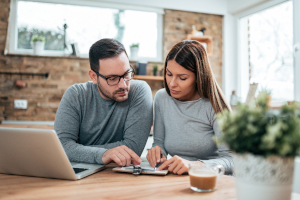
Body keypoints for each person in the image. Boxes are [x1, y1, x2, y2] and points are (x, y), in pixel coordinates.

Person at [54, 39, 153, 167]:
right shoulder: (76, 95)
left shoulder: (139, 91)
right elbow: (61, 146)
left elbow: (133, 148)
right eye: (112, 78)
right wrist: (103, 154)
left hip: (117, 175)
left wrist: (78, 150)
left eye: (127, 74)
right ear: (94, 77)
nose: (123, 85)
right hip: (78, 173)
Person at [146, 40, 233, 175]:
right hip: (178, 179)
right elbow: (159, 143)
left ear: (199, 77)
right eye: (169, 74)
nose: (172, 84)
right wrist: (157, 154)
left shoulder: (215, 105)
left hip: (211, 180)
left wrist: (195, 165)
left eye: (182, 78)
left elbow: (232, 159)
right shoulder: (162, 98)